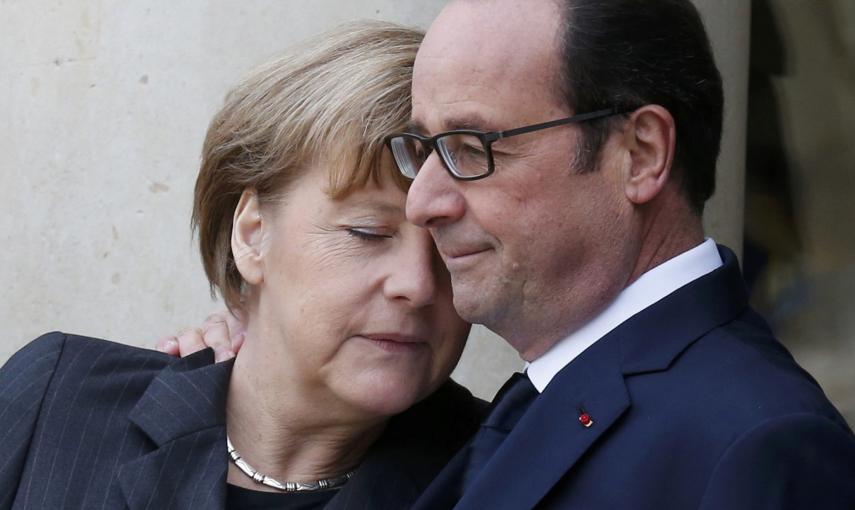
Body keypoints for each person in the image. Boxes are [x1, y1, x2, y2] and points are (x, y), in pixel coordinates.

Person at [385, 0, 855, 508]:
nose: (421, 202)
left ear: (641, 155)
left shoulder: (757, 445)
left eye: (470, 148)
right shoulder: (546, 395)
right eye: (422, 148)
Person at [0, 21, 484, 510]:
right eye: (368, 233)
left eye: (451, 247)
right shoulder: (56, 399)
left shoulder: (503, 472)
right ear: (252, 233)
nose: (418, 285)